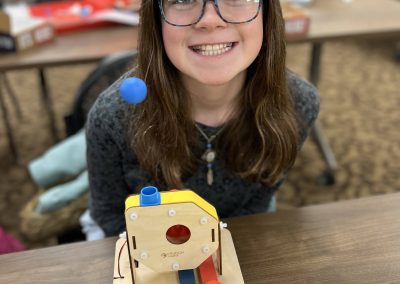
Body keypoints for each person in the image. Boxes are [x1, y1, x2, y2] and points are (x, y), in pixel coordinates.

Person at [86, 0, 320, 236]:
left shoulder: (299, 104)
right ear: (155, 20)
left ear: (268, 12)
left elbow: (256, 206)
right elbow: (110, 216)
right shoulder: (110, 118)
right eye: (182, 0)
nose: (210, 20)